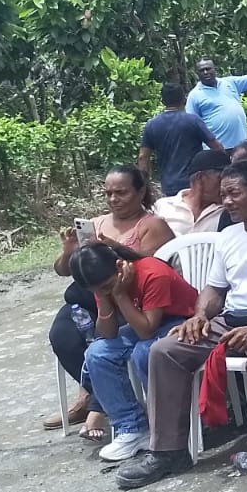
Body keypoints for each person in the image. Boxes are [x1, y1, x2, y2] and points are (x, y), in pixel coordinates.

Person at [117, 158, 247, 492]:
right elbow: (213, 290)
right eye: (223, 194)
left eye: (234, 193)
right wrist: (200, 316)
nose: (227, 201)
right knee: (165, 350)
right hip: (231, 321)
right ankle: (168, 451)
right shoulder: (229, 236)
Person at [46, 166, 177, 438]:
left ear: (140, 191)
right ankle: (95, 397)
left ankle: (96, 408)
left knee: (105, 343)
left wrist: (115, 249)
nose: (113, 199)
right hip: (88, 298)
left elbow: (154, 264)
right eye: (108, 193)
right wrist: (69, 253)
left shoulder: (152, 225)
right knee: (63, 337)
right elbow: (62, 270)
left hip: (127, 296)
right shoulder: (96, 223)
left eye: (121, 192)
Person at [73, 242, 197, 461]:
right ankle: (132, 427)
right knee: (97, 353)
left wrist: (120, 295)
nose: (103, 292)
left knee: (145, 352)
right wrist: (105, 298)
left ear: (119, 266)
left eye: (106, 287)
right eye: (96, 291)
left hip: (182, 321)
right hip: (145, 323)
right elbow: (107, 333)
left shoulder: (152, 274)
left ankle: (168, 427)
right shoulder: (104, 283)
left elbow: (146, 331)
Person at [139, 83, 224, 196]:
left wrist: (145, 185)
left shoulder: (151, 125)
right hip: (194, 184)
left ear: (163, 101)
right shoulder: (193, 121)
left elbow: (143, 157)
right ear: (184, 99)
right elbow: (216, 147)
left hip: (169, 185)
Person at [152, 150, 229, 236]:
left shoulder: (227, 211)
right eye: (221, 178)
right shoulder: (163, 206)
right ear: (200, 177)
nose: (225, 186)